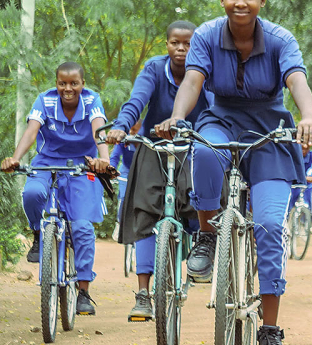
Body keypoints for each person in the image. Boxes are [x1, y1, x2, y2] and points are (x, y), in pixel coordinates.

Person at [155, 0, 312, 345]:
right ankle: (209, 235)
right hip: (222, 118)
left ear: (262, 1)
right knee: (206, 151)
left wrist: (309, 116)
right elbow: (193, 82)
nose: (240, 3)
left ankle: (270, 330)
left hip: (270, 131)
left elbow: (296, 79)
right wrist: (178, 118)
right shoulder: (208, 35)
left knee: (267, 225)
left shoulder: (281, 40)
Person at [106, 21, 208, 321]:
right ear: (167, 45)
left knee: (201, 201)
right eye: (175, 42)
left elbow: (214, 108)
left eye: (188, 44)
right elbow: (136, 100)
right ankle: (142, 293)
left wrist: (190, 129)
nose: (181, 49)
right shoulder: (153, 68)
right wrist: (122, 126)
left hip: (194, 145)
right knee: (146, 212)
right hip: (153, 147)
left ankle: (201, 250)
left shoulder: (206, 69)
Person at [1, 62, 112, 316]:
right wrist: (16, 158)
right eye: (62, 83)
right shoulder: (45, 100)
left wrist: (103, 159)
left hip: (82, 168)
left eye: (74, 83)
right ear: (56, 83)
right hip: (46, 163)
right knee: (31, 193)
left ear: (83, 84)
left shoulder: (92, 100)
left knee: (82, 227)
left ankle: (83, 291)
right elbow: (31, 132)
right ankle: (39, 235)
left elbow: (99, 132)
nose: (68, 88)